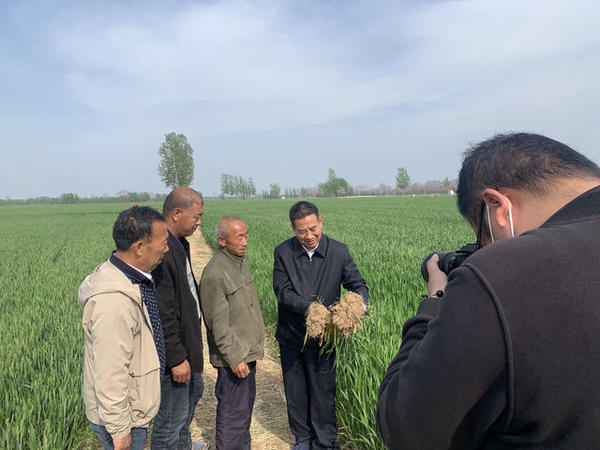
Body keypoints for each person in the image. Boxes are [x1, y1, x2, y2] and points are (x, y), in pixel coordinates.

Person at [377, 132, 600, 449]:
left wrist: (434, 301)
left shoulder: (500, 272)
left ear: (497, 206)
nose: (485, 249)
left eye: (482, 237)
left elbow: (404, 428)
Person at [273, 201, 369, 450]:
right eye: (302, 231)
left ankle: (325, 443)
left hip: (324, 339)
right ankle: (303, 440)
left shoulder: (338, 251)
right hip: (291, 335)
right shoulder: (283, 252)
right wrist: (310, 308)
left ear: (320, 222)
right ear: (293, 229)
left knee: (323, 391)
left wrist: (358, 305)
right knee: (295, 391)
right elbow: (282, 291)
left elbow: (358, 284)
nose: (309, 235)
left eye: (313, 228)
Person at [79, 206, 169, 450]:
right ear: (139, 247)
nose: (166, 249)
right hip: (124, 419)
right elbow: (110, 369)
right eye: (163, 242)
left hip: (132, 409)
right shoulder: (113, 301)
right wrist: (120, 430)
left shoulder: (128, 278)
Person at [199, 216, 265, 449]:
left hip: (246, 353)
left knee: (243, 410)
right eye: (239, 237)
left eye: (246, 235)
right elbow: (217, 324)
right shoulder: (215, 272)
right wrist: (235, 358)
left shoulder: (238, 263)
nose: (245, 241)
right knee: (232, 414)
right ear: (222, 240)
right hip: (234, 359)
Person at [150, 187, 208, 450]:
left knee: (191, 399)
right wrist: (175, 358)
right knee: (170, 421)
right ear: (176, 214)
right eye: (196, 216)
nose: (199, 223)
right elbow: (163, 311)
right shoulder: (162, 251)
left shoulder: (179, 244)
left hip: (187, 345)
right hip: (175, 355)